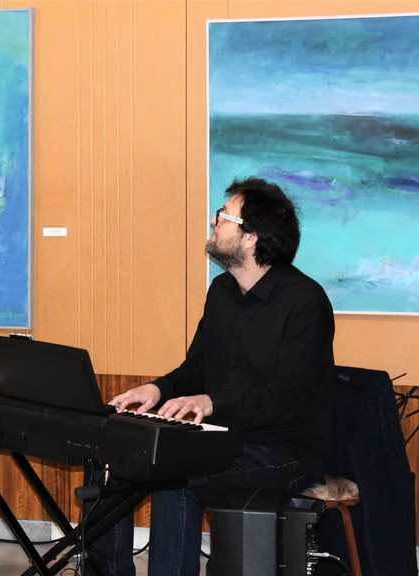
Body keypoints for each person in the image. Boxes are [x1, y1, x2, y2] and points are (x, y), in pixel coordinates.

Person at [88, 177, 335, 576]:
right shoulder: (221, 290)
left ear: (251, 238)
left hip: (283, 451)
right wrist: (157, 389)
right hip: (221, 439)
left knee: (175, 479)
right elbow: (198, 368)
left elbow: (289, 396)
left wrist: (211, 402)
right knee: (114, 457)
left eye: (223, 216)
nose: (213, 221)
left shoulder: (305, 301)